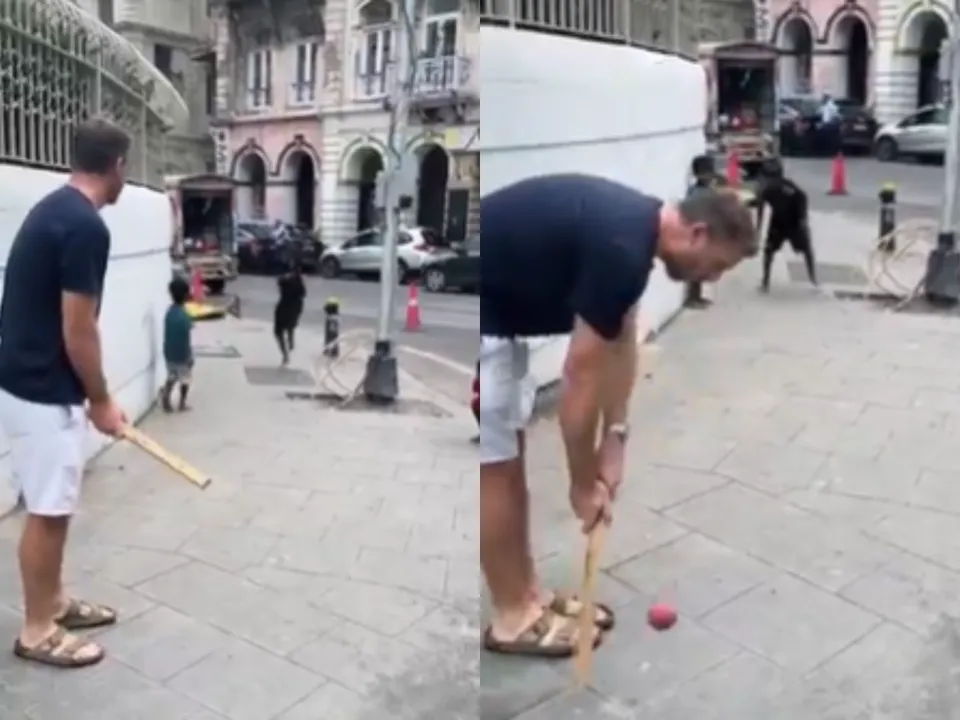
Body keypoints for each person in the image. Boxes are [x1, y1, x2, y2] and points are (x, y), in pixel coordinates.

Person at [480, 174, 756, 658]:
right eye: (715, 267)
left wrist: (617, 437)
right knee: (495, 470)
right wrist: (583, 484)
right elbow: (579, 388)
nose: (710, 280)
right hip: (481, 321)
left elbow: (621, 336)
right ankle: (511, 616)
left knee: (509, 460)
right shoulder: (622, 248)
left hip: (498, 322)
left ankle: (530, 597)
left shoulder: (635, 231)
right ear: (697, 234)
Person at [0, 117, 131, 668]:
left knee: (54, 506)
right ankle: (36, 630)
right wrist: (100, 400)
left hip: (25, 376)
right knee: (50, 511)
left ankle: (52, 602)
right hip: (41, 388)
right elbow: (79, 326)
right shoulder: (85, 226)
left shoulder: (56, 208)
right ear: (117, 166)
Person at [753, 158, 818, 292]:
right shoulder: (765, 190)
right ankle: (765, 282)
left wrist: (803, 220)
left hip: (794, 221)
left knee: (806, 249)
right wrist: (758, 230)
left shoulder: (787, 187)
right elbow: (760, 206)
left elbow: (802, 197)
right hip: (778, 221)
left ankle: (813, 279)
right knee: (769, 250)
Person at [685, 155, 729, 309]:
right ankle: (692, 298)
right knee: (695, 269)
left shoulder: (706, 190)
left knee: (702, 267)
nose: (710, 178)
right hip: (697, 233)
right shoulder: (696, 192)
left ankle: (697, 296)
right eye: (707, 175)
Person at [161, 276, 194, 412]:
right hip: (182, 354)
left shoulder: (169, 313)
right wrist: (189, 356)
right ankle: (182, 403)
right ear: (186, 295)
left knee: (171, 376)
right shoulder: (184, 315)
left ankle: (166, 398)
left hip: (169, 352)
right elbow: (187, 335)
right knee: (185, 379)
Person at [274, 261, 306, 365]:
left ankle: (285, 354)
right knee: (290, 325)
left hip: (283, 307)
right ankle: (291, 340)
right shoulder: (300, 283)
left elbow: (279, 281)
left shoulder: (285, 280)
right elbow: (303, 294)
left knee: (278, 331)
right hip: (295, 308)